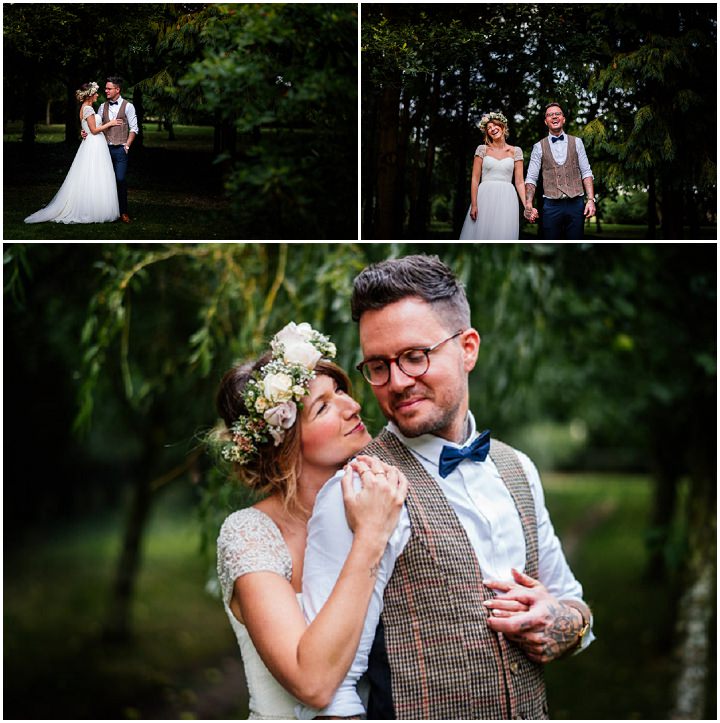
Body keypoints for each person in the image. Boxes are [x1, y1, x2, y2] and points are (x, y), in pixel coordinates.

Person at [300, 255, 594, 720]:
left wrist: (566, 623)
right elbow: (330, 691)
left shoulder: (519, 468)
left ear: (468, 348)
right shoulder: (355, 492)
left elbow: (570, 597)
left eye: (415, 357)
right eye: (378, 365)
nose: (396, 383)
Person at [214, 322, 408, 719]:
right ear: (285, 443)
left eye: (340, 391)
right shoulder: (248, 534)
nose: (352, 405)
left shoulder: (376, 499)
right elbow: (313, 684)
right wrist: (370, 537)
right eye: (323, 406)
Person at [24, 82, 121, 224]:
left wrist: (85, 132)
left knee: (92, 175)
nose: (98, 95)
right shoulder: (88, 108)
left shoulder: (85, 108)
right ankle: (93, 209)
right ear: (89, 95)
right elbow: (94, 130)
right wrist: (110, 123)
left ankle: (94, 206)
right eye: (95, 93)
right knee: (95, 174)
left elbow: (87, 128)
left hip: (92, 143)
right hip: (94, 144)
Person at [524, 102, 596, 239]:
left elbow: (586, 172)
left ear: (563, 119)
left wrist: (591, 199)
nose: (554, 117)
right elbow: (531, 178)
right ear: (546, 122)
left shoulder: (577, 142)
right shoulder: (538, 147)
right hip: (551, 206)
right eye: (550, 115)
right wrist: (528, 204)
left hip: (576, 203)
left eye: (558, 114)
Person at [459, 111, 534, 240]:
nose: (492, 129)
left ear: (502, 126)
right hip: (485, 196)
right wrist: (474, 204)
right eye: (489, 128)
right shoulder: (482, 150)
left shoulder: (516, 151)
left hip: (507, 198)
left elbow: (520, 182)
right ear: (487, 133)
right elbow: (475, 179)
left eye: (495, 125)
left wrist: (527, 204)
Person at [81, 76, 139, 223]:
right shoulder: (102, 107)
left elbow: (134, 128)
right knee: (104, 181)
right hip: (103, 150)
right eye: (105, 88)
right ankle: (105, 211)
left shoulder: (129, 106)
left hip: (120, 149)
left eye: (108, 88)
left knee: (120, 179)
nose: (105, 90)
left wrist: (127, 145)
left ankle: (123, 212)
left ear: (117, 89)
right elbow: (95, 125)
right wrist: (85, 131)